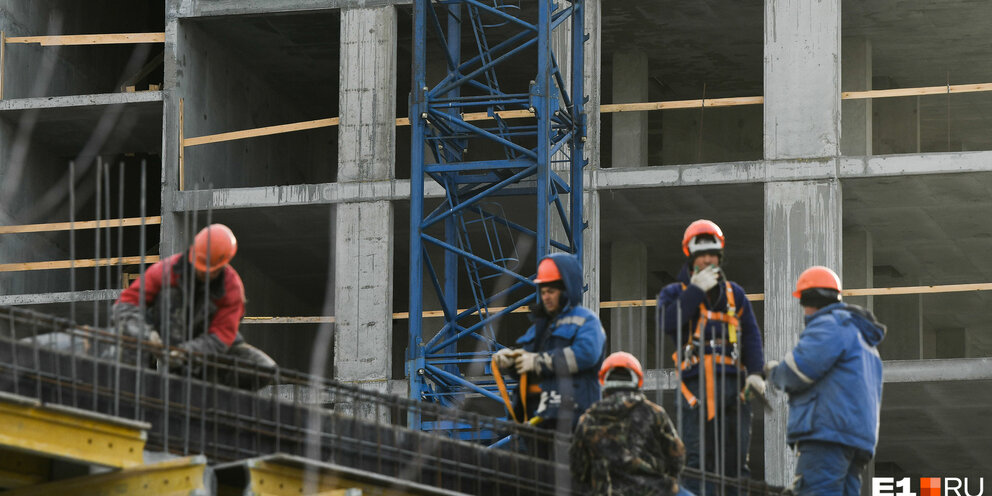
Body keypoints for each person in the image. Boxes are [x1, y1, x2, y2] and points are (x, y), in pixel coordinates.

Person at [656, 219, 765, 494]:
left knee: (735, 463)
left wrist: (755, 372)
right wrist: (695, 291)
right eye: (702, 255)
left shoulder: (734, 294)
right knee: (696, 462)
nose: (707, 260)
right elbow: (668, 323)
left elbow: (751, 334)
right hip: (696, 388)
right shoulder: (674, 293)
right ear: (691, 257)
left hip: (734, 387)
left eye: (712, 255)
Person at [765, 266, 885, 496]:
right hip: (857, 440)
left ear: (809, 301)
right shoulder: (864, 339)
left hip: (827, 433)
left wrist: (772, 373)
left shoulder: (829, 325)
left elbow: (796, 371)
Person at [112, 224, 275, 380]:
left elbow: (221, 337)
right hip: (166, 335)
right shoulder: (168, 270)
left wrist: (188, 352)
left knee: (264, 368)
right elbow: (125, 305)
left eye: (207, 270)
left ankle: (209, 395)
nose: (200, 271)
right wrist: (147, 335)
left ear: (222, 265)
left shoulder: (232, 289)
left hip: (203, 345)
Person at [493, 253, 607, 432]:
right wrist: (513, 362)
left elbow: (585, 355)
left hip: (574, 421)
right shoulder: (539, 328)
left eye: (551, 291)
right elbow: (527, 371)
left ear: (566, 290)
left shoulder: (586, 321)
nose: (546, 297)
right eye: (543, 292)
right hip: (537, 423)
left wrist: (537, 361)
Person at [570, 351, 692, 496]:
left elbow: (578, 469)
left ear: (603, 381)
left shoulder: (588, 420)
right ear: (638, 381)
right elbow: (677, 458)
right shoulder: (654, 413)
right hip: (654, 490)